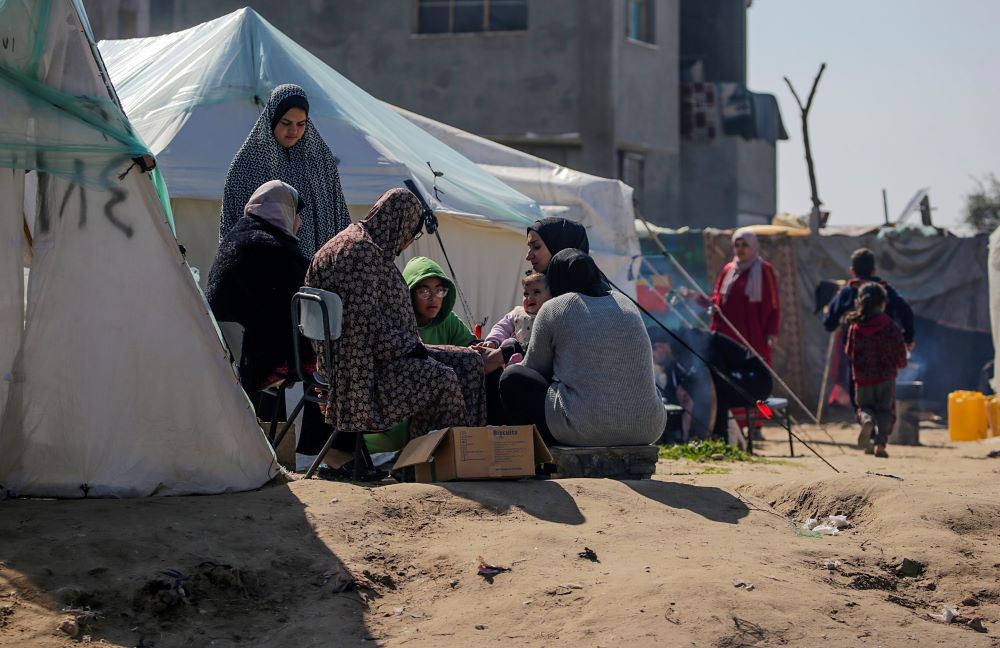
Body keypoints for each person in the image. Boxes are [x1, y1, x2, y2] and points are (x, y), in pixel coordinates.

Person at [305, 187, 487, 443]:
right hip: (362, 368)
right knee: (442, 378)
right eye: (413, 232)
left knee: (470, 362)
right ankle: (436, 464)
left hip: (379, 354)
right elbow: (364, 324)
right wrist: (410, 348)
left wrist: (413, 347)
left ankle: (469, 454)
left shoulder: (365, 246)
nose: (409, 241)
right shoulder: (360, 252)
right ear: (400, 223)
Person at [205, 180, 350, 464]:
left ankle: (314, 452)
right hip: (264, 356)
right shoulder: (268, 248)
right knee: (336, 362)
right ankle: (335, 456)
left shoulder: (241, 237)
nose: (299, 222)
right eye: (296, 213)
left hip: (240, 352)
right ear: (282, 212)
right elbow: (301, 294)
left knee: (322, 354)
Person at [499, 249, 666, 446]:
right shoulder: (625, 303)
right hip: (648, 427)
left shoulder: (555, 307)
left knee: (513, 378)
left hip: (587, 428)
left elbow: (535, 368)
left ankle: (542, 458)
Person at [220, 84, 351, 258]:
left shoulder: (320, 161)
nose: (294, 131)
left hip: (316, 269)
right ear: (272, 118)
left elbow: (339, 216)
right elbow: (233, 227)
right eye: (286, 123)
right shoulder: (248, 165)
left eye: (301, 124)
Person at [844, 282, 908, 458]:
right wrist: (901, 364)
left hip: (863, 379)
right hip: (886, 378)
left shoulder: (855, 327)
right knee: (886, 412)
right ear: (882, 303)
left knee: (865, 407)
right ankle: (880, 445)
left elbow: (849, 351)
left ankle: (867, 421)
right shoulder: (890, 325)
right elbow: (899, 351)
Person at [708, 228, 781, 365]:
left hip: (754, 333)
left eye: (745, 245)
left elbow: (773, 304)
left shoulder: (764, 269)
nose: (740, 249)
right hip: (728, 332)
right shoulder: (728, 270)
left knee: (753, 372)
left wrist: (772, 331)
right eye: (737, 245)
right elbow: (717, 297)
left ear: (753, 246)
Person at [823, 248, 915, 351]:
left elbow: (829, 322)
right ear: (873, 270)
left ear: (852, 271)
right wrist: (908, 338)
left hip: (858, 354)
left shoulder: (847, 292)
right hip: (885, 352)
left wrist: (835, 324)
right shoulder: (886, 290)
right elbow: (906, 311)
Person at [402, 256, 477, 347]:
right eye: (424, 291)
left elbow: (472, 346)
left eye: (439, 290)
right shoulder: (398, 324)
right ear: (409, 295)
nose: (433, 298)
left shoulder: (448, 320)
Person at [481, 272, 551, 364]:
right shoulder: (517, 313)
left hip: (538, 357)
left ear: (550, 296)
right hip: (514, 352)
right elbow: (502, 327)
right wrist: (493, 341)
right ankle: (511, 364)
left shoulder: (550, 314)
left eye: (536, 292)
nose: (529, 298)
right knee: (509, 342)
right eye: (526, 294)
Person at [525, 217, 590, 273]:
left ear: (562, 248)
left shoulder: (585, 287)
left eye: (537, 246)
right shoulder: (536, 284)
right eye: (529, 247)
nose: (528, 257)